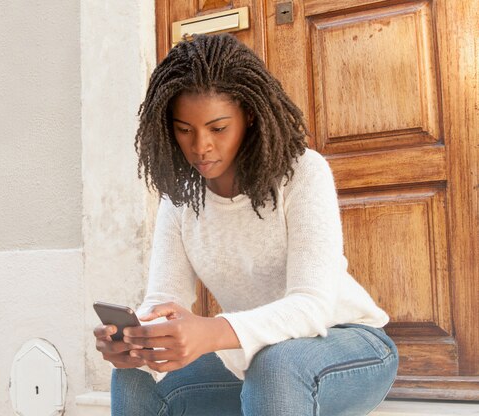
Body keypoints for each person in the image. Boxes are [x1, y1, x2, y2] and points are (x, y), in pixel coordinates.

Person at [93, 33, 398, 416]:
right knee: (137, 373)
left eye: (217, 128)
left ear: (248, 116)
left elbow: (311, 306)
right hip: (251, 357)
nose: (200, 145)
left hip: (349, 343)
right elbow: (163, 303)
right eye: (184, 129)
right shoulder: (181, 199)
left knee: (277, 364)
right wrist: (138, 339)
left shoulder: (302, 174)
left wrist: (211, 331)